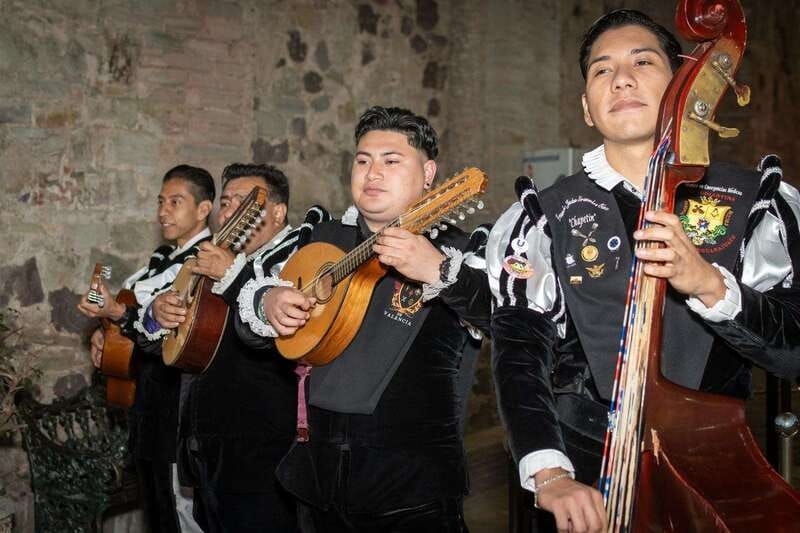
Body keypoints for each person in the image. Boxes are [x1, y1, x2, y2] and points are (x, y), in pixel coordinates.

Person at [487, 9, 800, 533]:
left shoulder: (754, 202)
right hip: (583, 471)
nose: (622, 79)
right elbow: (519, 356)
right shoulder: (543, 215)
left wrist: (708, 285)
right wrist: (548, 471)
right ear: (587, 108)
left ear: (682, 81)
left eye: (642, 61)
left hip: (716, 467)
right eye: (601, 70)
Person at [238, 106, 491, 532]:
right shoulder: (320, 238)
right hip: (316, 482)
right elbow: (251, 328)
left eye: (391, 161)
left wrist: (438, 272)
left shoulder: (461, 249)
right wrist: (270, 304)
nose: (373, 173)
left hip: (413, 492)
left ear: (428, 174)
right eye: (362, 161)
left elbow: (505, 319)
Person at [148, 162, 329, 532]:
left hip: (264, 450)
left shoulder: (299, 254)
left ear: (277, 212)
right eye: (226, 203)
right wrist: (157, 313)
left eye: (242, 202)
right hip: (207, 445)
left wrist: (234, 271)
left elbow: (277, 331)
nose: (230, 211)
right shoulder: (209, 266)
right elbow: (170, 341)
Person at [77, 164, 214, 532]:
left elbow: (154, 317)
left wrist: (116, 313)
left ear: (204, 209)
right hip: (148, 410)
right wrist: (102, 331)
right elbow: (127, 301)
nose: (162, 211)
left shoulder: (204, 263)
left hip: (177, 414)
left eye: (175, 201)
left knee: (181, 513)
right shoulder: (158, 260)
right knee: (157, 510)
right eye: (160, 201)